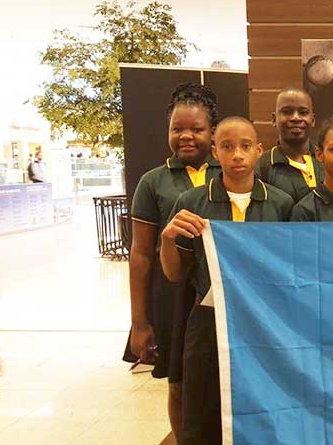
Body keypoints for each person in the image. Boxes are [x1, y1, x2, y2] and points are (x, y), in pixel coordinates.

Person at [160, 116, 294, 445]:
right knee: (203, 409)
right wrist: (167, 238)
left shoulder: (280, 203)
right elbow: (174, 274)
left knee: (263, 405)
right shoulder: (192, 203)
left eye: (245, 146)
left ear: (259, 151)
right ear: (215, 153)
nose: (237, 155)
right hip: (209, 320)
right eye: (228, 147)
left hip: (263, 321)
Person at [126, 82, 221, 442]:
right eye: (177, 128)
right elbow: (140, 255)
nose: (186, 136)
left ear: (212, 132)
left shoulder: (225, 173)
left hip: (213, 298)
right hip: (170, 297)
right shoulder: (153, 182)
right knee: (179, 384)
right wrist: (139, 321)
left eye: (197, 129)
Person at [257, 88, 323, 203]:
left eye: (303, 112)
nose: (296, 118)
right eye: (287, 112)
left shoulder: (328, 161)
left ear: (312, 120)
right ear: (274, 119)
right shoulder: (262, 166)